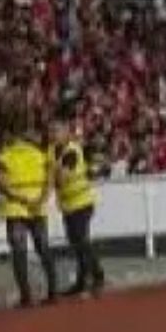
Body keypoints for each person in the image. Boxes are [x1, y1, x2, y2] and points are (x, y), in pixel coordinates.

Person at [0, 125, 59, 306]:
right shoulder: (39, 155)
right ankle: (53, 292)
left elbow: (4, 185)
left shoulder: (5, 156)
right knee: (44, 248)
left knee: (19, 253)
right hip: (37, 209)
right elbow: (49, 181)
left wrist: (21, 200)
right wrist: (40, 200)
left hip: (16, 210)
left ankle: (26, 296)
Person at [52, 118, 103, 296]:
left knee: (82, 242)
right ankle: (82, 281)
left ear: (66, 133)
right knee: (77, 243)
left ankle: (97, 276)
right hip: (69, 205)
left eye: (57, 131)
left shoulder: (71, 152)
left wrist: (51, 174)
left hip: (81, 203)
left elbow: (62, 177)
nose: (54, 135)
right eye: (53, 131)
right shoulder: (56, 152)